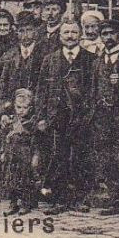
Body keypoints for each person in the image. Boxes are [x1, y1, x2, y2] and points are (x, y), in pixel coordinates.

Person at [32, 18, 98, 212]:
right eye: (66, 33)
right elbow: (41, 91)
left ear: (80, 35)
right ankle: (59, 199)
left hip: (81, 118)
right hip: (56, 118)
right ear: (60, 36)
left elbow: (93, 91)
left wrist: (88, 116)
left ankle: (78, 199)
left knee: (80, 157)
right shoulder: (50, 59)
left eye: (74, 32)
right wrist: (41, 117)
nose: (70, 36)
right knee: (58, 157)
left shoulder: (90, 59)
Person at [90, 18, 119, 215]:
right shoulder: (98, 59)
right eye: (104, 34)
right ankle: (114, 198)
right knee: (106, 155)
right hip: (102, 115)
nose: (108, 37)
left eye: (112, 33)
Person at [0, 88, 42, 215]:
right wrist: (3, 152)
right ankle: (13, 203)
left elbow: (36, 141)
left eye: (25, 107)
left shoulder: (32, 122)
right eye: (18, 107)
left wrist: (35, 156)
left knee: (25, 179)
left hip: (25, 155)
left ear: (30, 108)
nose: (21, 110)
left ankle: (26, 203)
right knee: (11, 178)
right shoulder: (11, 120)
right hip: (12, 154)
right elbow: (4, 137)